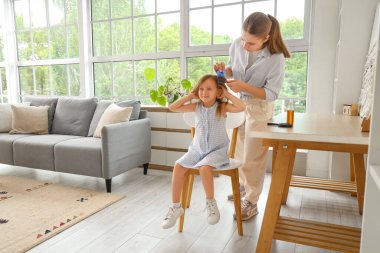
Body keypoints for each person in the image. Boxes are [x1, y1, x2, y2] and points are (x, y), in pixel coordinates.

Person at [214, 12, 291, 221]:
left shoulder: (275, 58)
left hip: (259, 107)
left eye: (251, 43)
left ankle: (252, 201)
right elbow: (233, 69)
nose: (244, 45)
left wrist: (245, 86)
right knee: (237, 151)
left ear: (265, 39)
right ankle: (242, 188)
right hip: (238, 103)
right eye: (243, 39)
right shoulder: (237, 44)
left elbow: (272, 93)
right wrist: (225, 71)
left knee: (253, 157)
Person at [162, 74, 245, 229]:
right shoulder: (196, 106)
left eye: (209, 89)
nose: (204, 92)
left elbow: (242, 107)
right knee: (178, 166)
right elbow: (172, 107)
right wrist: (190, 96)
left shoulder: (222, 107)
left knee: (204, 169)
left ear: (217, 91)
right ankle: (176, 207)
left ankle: (211, 204)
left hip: (217, 151)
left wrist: (226, 94)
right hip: (197, 150)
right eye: (201, 89)